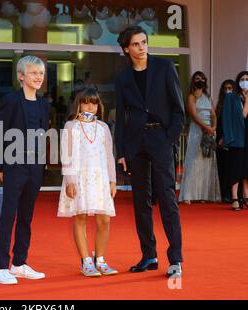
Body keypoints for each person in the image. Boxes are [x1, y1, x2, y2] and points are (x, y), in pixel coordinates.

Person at [115, 26, 185, 277]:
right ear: (126, 49)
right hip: (136, 145)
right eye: (136, 44)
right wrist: (121, 151)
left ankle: (175, 259)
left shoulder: (165, 68)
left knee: (167, 199)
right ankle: (149, 255)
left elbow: (178, 109)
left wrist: (169, 139)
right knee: (140, 203)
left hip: (161, 139)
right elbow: (121, 117)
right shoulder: (122, 79)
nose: (142, 47)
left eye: (144, 42)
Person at [0, 56, 50, 285]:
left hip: (35, 166)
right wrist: (1, 165)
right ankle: (0, 267)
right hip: (14, 163)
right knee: (9, 215)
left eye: (41, 73)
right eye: (33, 72)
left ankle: (19, 264)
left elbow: (44, 134)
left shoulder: (43, 103)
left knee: (27, 216)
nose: (38, 77)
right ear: (21, 76)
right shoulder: (11, 100)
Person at [57, 88, 118, 277]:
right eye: (86, 102)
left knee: (104, 220)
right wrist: (70, 180)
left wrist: (112, 180)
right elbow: (66, 156)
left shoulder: (103, 128)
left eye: (94, 103)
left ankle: (100, 259)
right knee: (81, 217)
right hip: (79, 177)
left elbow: (109, 155)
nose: (90, 106)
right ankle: (86, 261)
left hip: (100, 178)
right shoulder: (71, 126)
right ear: (79, 104)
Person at [179, 71, 221, 203]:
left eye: (202, 78)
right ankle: (189, 195)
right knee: (193, 160)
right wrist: (206, 128)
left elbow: (213, 114)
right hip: (197, 130)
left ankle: (204, 194)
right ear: (193, 81)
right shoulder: (191, 96)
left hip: (209, 132)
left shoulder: (207, 97)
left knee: (207, 160)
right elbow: (194, 116)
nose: (200, 80)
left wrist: (213, 127)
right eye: (197, 78)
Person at [222, 71, 248, 211]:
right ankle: (235, 198)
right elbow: (239, 115)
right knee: (236, 167)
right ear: (238, 81)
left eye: (247, 79)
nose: (245, 81)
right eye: (242, 79)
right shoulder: (231, 97)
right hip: (237, 138)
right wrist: (227, 137)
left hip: (247, 138)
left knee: (246, 168)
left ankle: (246, 195)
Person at [216, 80, 237, 203]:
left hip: (232, 140)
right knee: (222, 167)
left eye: (230, 88)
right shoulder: (220, 105)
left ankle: (231, 193)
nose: (227, 90)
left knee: (231, 168)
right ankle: (223, 194)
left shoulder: (236, 103)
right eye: (225, 88)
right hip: (220, 141)